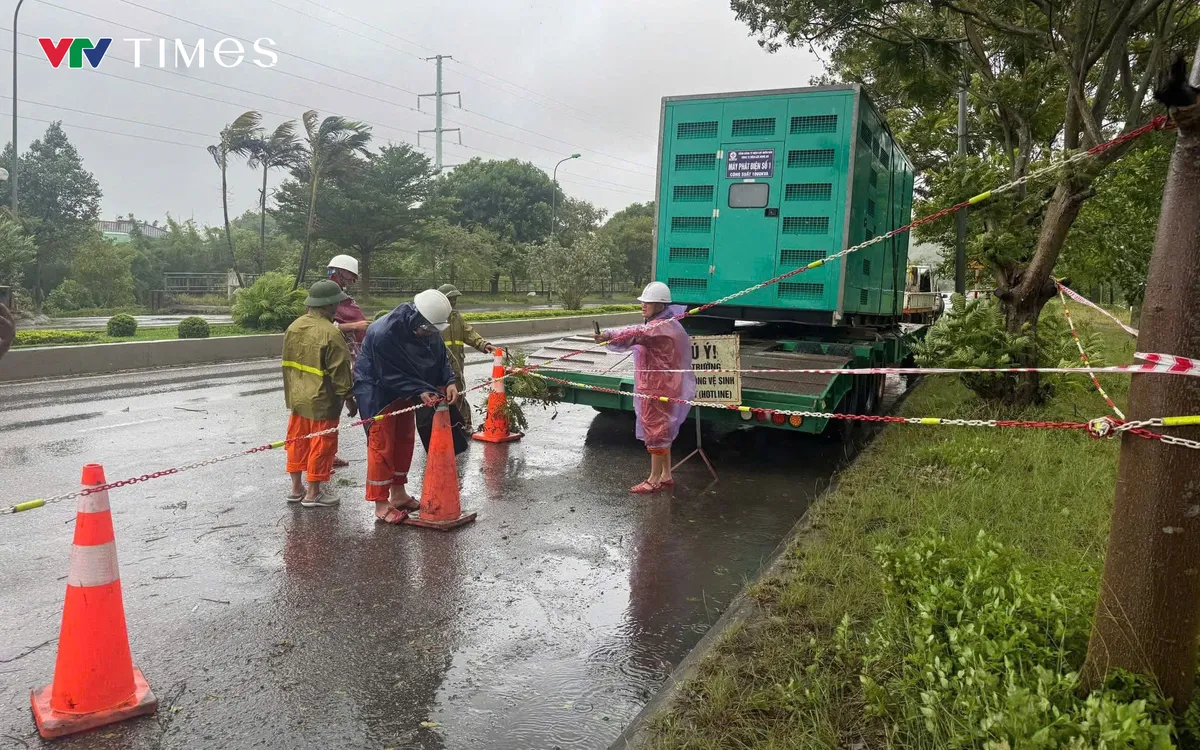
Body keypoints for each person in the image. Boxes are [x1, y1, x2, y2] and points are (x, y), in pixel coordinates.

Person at [354, 289, 460, 524]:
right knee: (382, 446)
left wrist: (448, 380)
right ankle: (381, 503)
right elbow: (388, 374)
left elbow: (440, 355)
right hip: (378, 392)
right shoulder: (384, 333)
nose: (430, 333)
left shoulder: (427, 328)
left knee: (404, 439)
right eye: (428, 329)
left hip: (407, 392)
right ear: (415, 318)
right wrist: (420, 390)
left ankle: (399, 494)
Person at [594, 281, 695, 494]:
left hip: (656, 387)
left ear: (660, 306)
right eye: (643, 302)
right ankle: (666, 475)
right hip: (664, 385)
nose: (643, 305)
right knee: (664, 430)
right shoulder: (669, 323)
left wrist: (608, 335)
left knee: (656, 431)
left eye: (648, 302)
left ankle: (653, 479)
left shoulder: (659, 327)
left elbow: (636, 333)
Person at [281, 280, 357, 507]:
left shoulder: (293, 327)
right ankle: (314, 493)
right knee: (322, 444)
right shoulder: (331, 334)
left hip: (297, 398)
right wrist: (350, 399)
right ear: (330, 305)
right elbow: (341, 372)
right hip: (323, 401)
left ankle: (296, 489)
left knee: (297, 441)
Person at [326, 254, 369, 469]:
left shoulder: (341, 295)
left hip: (349, 356)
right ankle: (322, 458)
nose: (352, 281)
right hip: (335, 357)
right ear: (340, 272)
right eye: (351, 276)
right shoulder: (327, 295)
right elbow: (326, 327)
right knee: (331, 409)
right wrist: (355, 326)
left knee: (336, 409)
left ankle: (329, 453)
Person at [437, 283, 495, 430]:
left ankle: (465, 425)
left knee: (459, 395)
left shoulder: (457, 318)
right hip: (439, 368)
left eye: (455, 299)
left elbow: (469, 333)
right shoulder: (434, 319)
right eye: (450, 299)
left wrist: (483, 344)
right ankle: (443, 428)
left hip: (456, 367)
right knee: (440, 398)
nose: (454, 302)